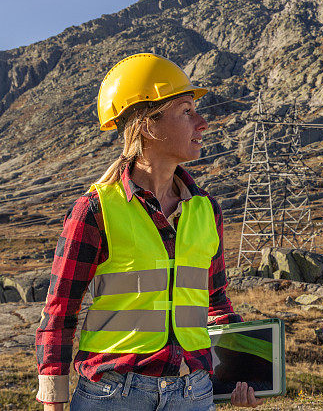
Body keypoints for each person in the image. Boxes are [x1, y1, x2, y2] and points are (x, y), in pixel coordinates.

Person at [35, 53, 262, 410]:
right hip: (112, 396)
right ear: (147, 125)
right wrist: (53, 403)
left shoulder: (206, 210)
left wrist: (242, 374)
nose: (202, 122)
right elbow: (60, 312)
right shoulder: (95, 210)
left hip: (193, 393)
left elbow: (215, 301)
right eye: (186, 111)